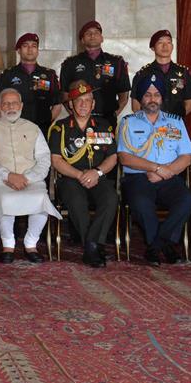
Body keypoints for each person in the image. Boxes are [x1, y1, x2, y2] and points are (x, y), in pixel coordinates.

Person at [117, 74, 191, 266]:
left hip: (168, 176)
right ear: (140, 99)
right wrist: (155, 168)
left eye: (157, 94)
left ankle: (156, 244)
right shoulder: (128, 122)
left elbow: (186, 157)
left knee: (187, 199)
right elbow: (124, 157)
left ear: (162, 98)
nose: (152, 98)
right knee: (141, 203)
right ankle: (165, 245)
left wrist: (165, 172)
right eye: (148, 95)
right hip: (139, 178)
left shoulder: (175, 122)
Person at [0, 88, 60, 263]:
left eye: (14, 103)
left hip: (31, 179)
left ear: (21, 105)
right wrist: (7, 175)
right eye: (6, 103)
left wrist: (28, 177)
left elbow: (44, 159)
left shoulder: (33, 128)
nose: (10, 107)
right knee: (5, 198)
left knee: (40, 198)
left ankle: (31, 243)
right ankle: (8, 244)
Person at [47, 82, 119, 267]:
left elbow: (112, 157)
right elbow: (56, 160)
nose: (83, 104)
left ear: (93, 104)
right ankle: (94, 246)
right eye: (79, 101)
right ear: (70, 104)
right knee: (77, 201)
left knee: (110, 198)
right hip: (71, 177)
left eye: (88, 101)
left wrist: (97, 172)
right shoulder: (60, 128)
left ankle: (91, 245)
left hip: (98, 176)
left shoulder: (104, 125)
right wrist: (80, 175)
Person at [60, 20, 131, 123]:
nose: (92, 35)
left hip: (107, 120)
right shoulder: (70, 63)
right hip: (79, 122)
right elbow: (65, 96)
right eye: (88, 33)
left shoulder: (116, 62)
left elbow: (124, 94)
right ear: (82, 40)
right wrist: (75, 115)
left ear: (102, 38)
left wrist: (114, 114)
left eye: (96, 33)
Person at [0, 33, 63, 132]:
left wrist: (46, 122)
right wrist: (9, 124)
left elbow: (57, 105)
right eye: (25, 46)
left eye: (34, 46)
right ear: (18, 50)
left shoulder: (49, 75)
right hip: (14, 129)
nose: (30, 49)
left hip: (41, 129)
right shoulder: (8, 75)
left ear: (37, 51)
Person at [129, 29, 191, 120]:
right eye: (160, 42)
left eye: (168, 42)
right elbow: (136, 105)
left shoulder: (183, 72)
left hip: (175, 126)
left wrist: (175, 120)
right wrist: (146, 122)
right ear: (153, 48)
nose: (165, 46)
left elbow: (190, 102)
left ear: (172, 46)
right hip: (151, 126)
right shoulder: (143, 73)